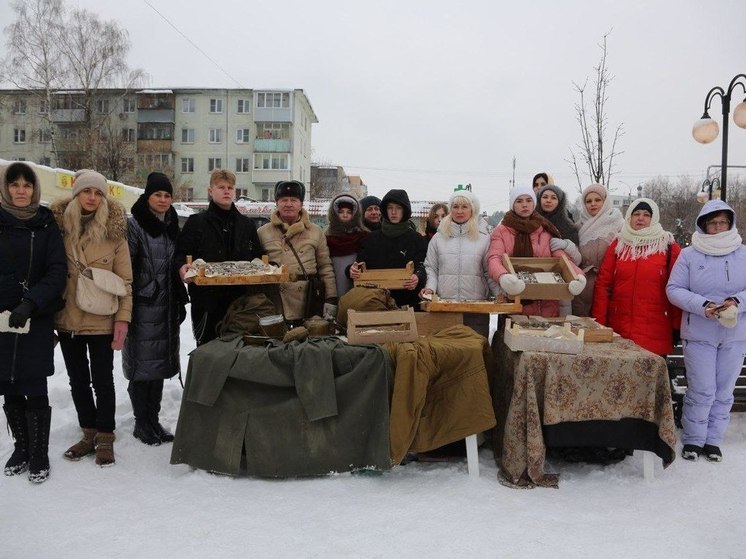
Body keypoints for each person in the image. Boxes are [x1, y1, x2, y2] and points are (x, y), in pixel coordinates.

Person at [51, 170, 133, 467]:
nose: (92, 198)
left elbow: (126, 281)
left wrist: (123, 321)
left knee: (103, 380)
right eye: (87, 191)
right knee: (77, 381)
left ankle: (106, 436)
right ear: (76, 194)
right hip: (67, 318)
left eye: (98, 193)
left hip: (102, 318)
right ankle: (89, 433)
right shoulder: (58, 228)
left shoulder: (115, 232)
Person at [0, 162, 66, 483]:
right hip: (1, 318)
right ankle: (21, 447)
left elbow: (57, 271)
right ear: (6, 188)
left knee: (35, 385)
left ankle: (39, 452)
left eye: (27, 185)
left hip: (35, 317)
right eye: (15, 185)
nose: (21, 190)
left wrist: (31, 301)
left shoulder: (46, 224)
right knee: (8, 383)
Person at [666, 199, 746, 462]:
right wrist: (703, 305)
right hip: (699, 332)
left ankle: (713, 439)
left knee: (723, 391)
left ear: (730, 223)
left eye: (722, 222)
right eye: (712, 223)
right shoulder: (689, 255)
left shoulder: (743, 253)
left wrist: (737, 301)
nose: (718, 227)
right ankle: (693, 439)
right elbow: (674, 289)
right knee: (702, 389)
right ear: (703, 225)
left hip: (735, 335)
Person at [123, 172, 188, 446]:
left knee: (159, 365)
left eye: (167, 195)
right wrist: (144, 291)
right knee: (142, 366)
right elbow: (128, 266)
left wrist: (179, 296)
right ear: (147, 196)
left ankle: (154, 420)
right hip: (143, 305)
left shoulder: (173, 223)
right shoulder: (134, 225)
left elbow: (177, 262)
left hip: (167, 304)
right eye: (157, 195)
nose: (162, 200)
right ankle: (141, 422)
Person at [175, 169, 263, 345]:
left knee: (239, 352)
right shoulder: (196, 223)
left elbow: (258, 257)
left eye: (230, 187)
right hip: (207, 303)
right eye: (221, 187)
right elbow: (181, 254)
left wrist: (266, 266)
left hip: (239, 303)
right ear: (210, 191)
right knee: (208, 353)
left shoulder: (247, 225)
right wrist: (181, 267)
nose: (226, 191)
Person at [591, 198, 680, 356]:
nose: (640, 218)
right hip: (619, 330)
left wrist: (677, 326)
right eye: (636, 214)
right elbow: (603, 285)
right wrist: (600, 324)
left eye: (646, 214)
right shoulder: (619, 244)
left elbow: (678, 288)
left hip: (655, 331)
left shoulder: (667, 245)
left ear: (654, 218)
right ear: (629, 217)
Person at [487, 186, 586, 317]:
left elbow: (561, 259)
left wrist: (577, 276)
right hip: (515, 303)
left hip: (546, 305)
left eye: (528, 200)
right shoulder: (502, 231)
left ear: (534, 203)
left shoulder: (544, 229)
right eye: (519, 201)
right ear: (512, 204)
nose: (524, 205)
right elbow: (494, 258)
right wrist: (504, 277)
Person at [257, 180, 337, 324]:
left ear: (301, 204)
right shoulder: (263, 232)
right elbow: (255, 269)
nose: (288, 204)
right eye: (284, 200)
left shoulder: (316, 231)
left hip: (307, 302)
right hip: (274, 302)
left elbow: (325, 266)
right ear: (277, 203)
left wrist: (331, 298)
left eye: (293, 200)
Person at [420, 190, 496, 335]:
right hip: (445, 309)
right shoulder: (438, 238)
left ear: (472, 209)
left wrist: (500, 294)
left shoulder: (483, 238)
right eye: (455, 207)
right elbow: (431, 268)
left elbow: (489, 271)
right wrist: (430, 289)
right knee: (447, 353)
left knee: (476, 352)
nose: (459, 211)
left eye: (464, 207)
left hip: (476, 309)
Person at [349, 189, 428, 310]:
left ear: (405, 210)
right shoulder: (371, 239)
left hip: (409, 303)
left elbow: (422, 265)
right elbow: (360, 264)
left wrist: (418, 277)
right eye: (390, 207)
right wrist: (352, 270)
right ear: (385, 210)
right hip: (376, 304)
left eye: (398, 208)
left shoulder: (416, 239)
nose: (394, 212)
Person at [572, 184, 624, 317]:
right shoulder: (577, 227)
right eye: (588, 201)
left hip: (609, 287)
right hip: (582, 287)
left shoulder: (619, 224)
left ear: (605, 201)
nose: (593, 204)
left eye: (598, 200)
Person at [325, 194, 368, 298]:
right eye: (341, 212)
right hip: (334, 277)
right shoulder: (327, 236)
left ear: (355, 214)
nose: (345, 215)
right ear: (334, 213)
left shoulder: (362, 235)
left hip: (357, 278)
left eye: (349, 212)